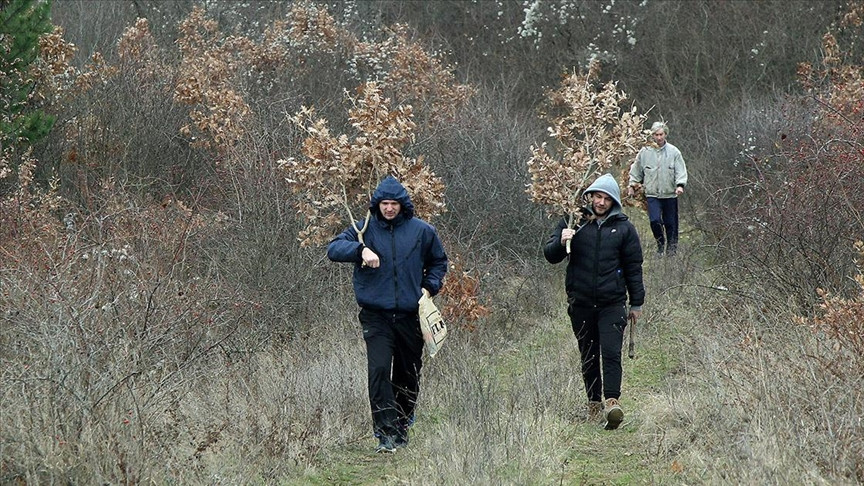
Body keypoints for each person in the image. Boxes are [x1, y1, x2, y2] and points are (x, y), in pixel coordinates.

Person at [327, 175, 448, 453]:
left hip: (410, 315)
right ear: (377, 205)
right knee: (379, 370)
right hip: (376, 315)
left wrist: (429, 287)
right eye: (384, 204)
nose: (389, 208)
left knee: (408, 373)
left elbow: (439, 262)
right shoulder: (364, 230)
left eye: (394, 203)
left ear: (402, 204)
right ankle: (385, 434)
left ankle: (402, 425)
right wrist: (360, 250)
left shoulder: (422, 231)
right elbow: (333, 249)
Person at [544, 173, 645, 430]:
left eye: (606, 199)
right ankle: (593, 403)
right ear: (590, 197)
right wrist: (562, 241)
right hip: (580, 302)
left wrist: (636, 303)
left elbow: (634, 267)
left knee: (611, 352)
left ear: (614, 202)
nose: (601, 202)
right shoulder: (574, 221)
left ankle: (612, 403)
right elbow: (550, 255)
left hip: (612, 303)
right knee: (588, 354)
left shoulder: (624, 228)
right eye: (597, 197)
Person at [628, 121, 688, 255]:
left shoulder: (674, 152)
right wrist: (632, 185)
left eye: (661, 134)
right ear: (652, 135)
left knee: (671, 223)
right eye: (656, 135)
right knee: (654, 220)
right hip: (652, 194)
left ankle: (671, 251)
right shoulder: (645, 152)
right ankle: (660, 245)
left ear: (665, 134)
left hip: (670, 194)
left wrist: (680, 185)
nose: (659, 137)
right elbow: (636, 170)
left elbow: (681, 170)